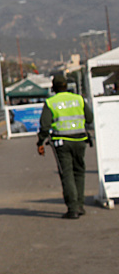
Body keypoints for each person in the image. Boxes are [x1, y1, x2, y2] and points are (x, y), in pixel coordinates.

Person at [36, 73, 94, 219]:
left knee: (67, 174)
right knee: (79, 172)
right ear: (66, 86)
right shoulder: (78, 99)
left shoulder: (51, 102)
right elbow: (90, 118)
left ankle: (73, 208)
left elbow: (45, 126)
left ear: (53, 88)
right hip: (80, 140)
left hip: (62, 142)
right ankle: (80, 205)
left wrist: (40, 142)